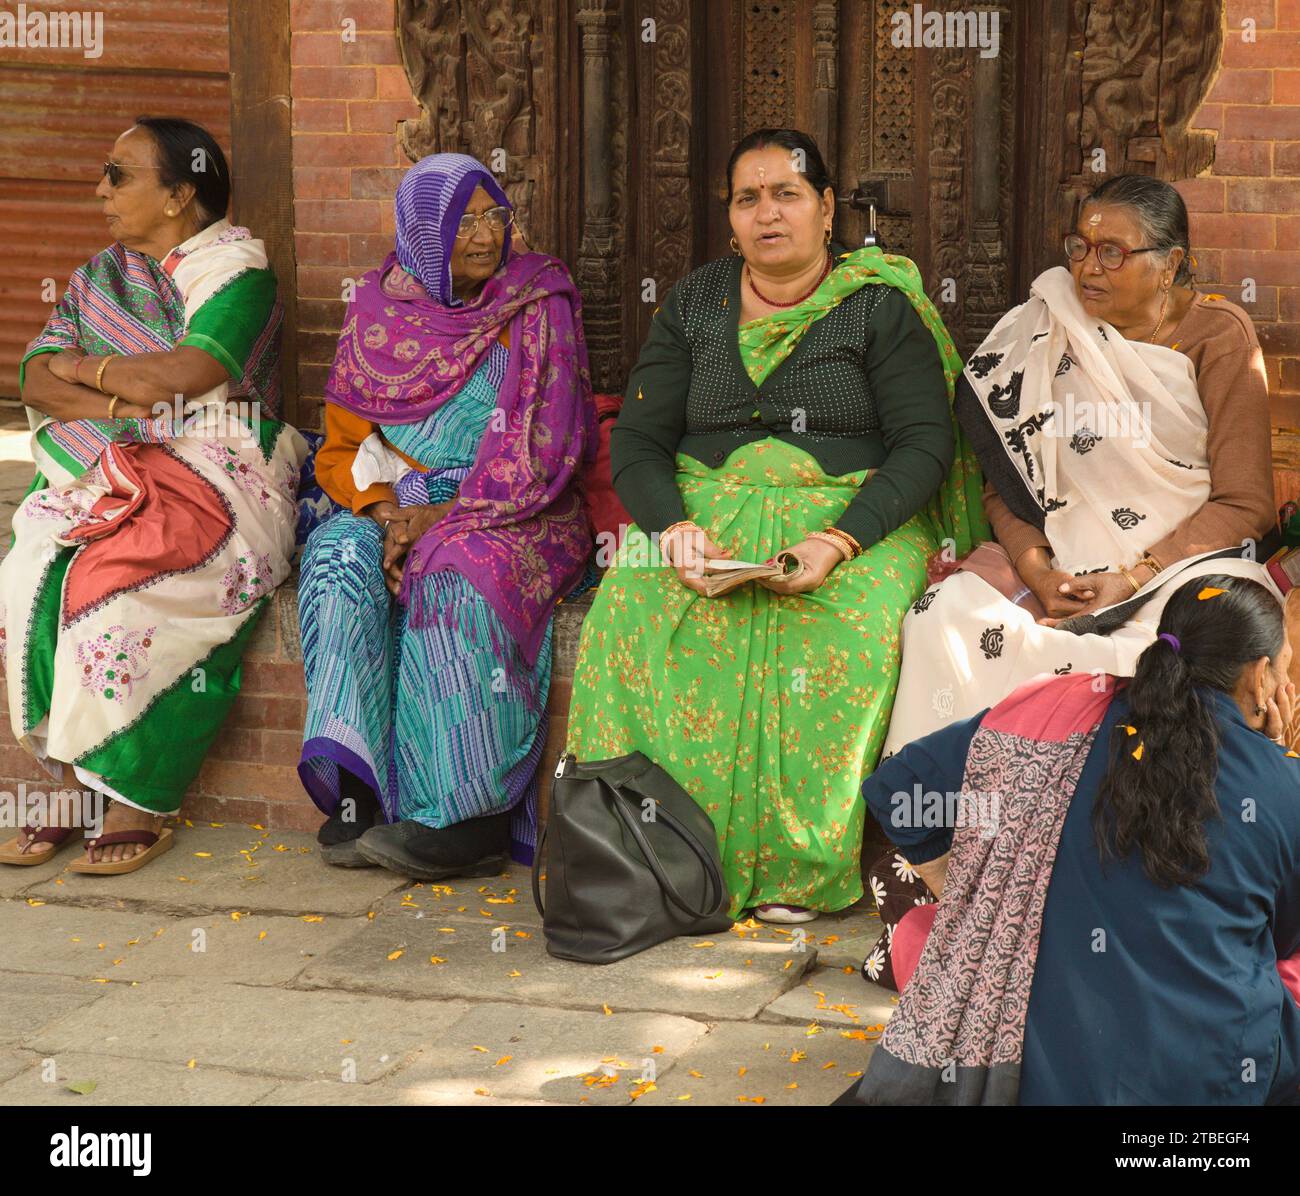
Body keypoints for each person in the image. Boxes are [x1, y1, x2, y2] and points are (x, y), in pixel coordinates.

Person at [563, 128, 986, 924]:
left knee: (847, 634)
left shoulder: (878, 309)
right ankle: (660, 857)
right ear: (729, 218)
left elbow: (924, 444)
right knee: (631, 616)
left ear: (826, 209)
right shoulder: (693, 303)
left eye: (787, 194)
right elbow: (643, 442)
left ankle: (798, 865)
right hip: (706, 515)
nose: (768, 213)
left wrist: (839, 540)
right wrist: (675, 530)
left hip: (853, 518)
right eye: (748, 198)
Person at [865, 175, 1281, 973]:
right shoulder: (1038, 327)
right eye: (1080, 247)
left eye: (1114, 252)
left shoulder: (1216, 337)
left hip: (1180, 562)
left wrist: (1136, 573)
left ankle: (1109, 877)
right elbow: (1007, 482)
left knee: (1170, 652)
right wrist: (1033, 564)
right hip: (1059, 561)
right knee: (944, 615)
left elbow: (1246, 502)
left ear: (1171, 263)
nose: (1088, 267)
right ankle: (936, 879)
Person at [844, 574, 1300, 1106]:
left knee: (926, 934)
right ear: (1263, 676)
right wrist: (1269, 758)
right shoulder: (1282, 784)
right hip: (1206, 1084)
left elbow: (901, 790)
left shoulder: (1057, 712)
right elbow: (1284, 940)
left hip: (1036, 1074)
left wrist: (975, 893)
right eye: (1288, 669)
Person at [0, 116, 306, 873]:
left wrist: (91, 369)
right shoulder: (99, 277)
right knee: (33, 565)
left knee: (121, 586)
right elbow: (30, 377)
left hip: (223, 465)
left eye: (119, 175)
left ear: (179, 195)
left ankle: (138, 796)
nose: (100, 189)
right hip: (117, 455)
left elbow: (180, 380)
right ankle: (70, 786)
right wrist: (115, 400)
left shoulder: (238, 275)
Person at [299, 152, 596, 878]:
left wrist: (445, 517)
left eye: (492, 216)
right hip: (396, 500)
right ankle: (360, 790)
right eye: (459, 222)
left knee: (454, 572)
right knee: (337, 557)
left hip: (519, 503)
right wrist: (386, 512)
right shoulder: (376, 308)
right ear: (419, 231)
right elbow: (344, 447)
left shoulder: (538, 299)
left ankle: (467, 817)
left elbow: (551, 441)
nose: (482, 235)